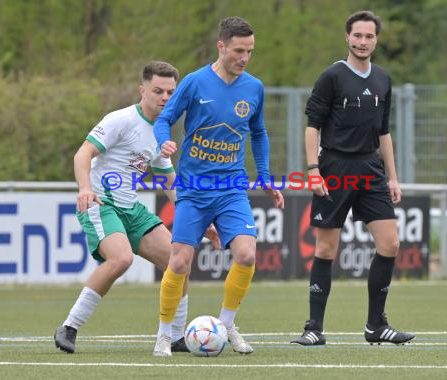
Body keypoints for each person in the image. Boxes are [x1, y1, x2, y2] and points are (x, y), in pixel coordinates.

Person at [53, 61, 221, 354]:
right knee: (120, 259)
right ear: (142, 89)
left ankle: (177, 336)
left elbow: (170, 182)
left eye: (170, 92)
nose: (165, 97)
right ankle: (69, 327)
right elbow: (84, 153)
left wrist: (197, 217)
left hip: (131, 208)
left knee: (178, 260)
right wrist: (85, 188)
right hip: (101, 204)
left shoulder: (161, 131)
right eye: (158, 90)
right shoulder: (121, 120)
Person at [151, 16, 284, 357]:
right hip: (194, 190)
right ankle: (165, 335)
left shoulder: (254, 88)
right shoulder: (195, 83)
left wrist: (265, 175)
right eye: (239, 50)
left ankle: (225, 325)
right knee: (179, 263)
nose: (244, 57)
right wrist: (165, 142)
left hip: (231, 189)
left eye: (250, 51)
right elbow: (165, 118)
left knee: (246, 253)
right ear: (221, 46)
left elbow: (258, 132)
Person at [290, 11, 415, 346]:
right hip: (334, 168)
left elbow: (384, 132)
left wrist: (393, 177)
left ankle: (376, 325)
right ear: (347, 37)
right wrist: (313, 170)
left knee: (390, 244)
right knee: (327, 248)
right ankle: (314, 327)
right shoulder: (331, 76)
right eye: (357, 36)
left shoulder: (384, 79)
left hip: (371, 170)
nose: (362, 42)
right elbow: (312, 126)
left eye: (369, 36)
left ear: (376, 40)